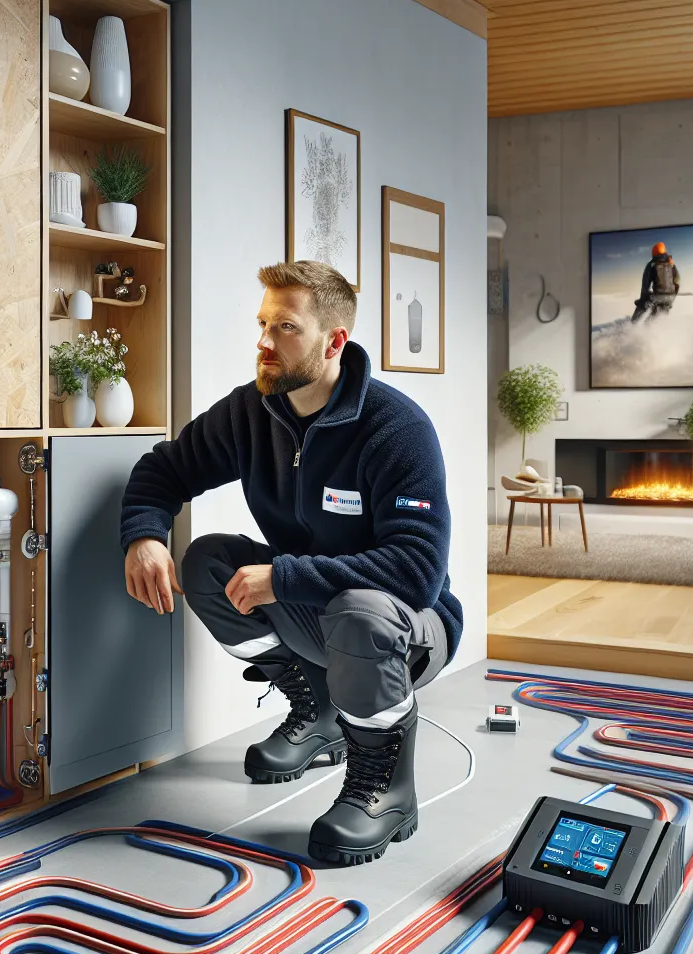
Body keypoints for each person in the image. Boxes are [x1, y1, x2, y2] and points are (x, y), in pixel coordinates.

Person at [120, 260, 460, 866]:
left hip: (410, 627)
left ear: (334, 342)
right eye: (262, 324)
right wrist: (145, 536)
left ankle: (387, 787)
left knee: (361, 614)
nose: (263, 342)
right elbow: (163, 470)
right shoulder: (252, 412)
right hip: (318, 613)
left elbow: (417, 572)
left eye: (285, 328)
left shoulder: (396, 428)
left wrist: (283, 577)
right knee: (206, 562)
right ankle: (320, 707)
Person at [632, 241, 680, 323]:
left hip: (657, 297)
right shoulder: (671, 264)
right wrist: (672, 297)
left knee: (644, 304)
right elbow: (677, 281)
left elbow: (645, 285)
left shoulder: (651, 264)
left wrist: (642, 300)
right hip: (670, 298)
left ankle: (633, 325)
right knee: (658, 317)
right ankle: (654, 329)